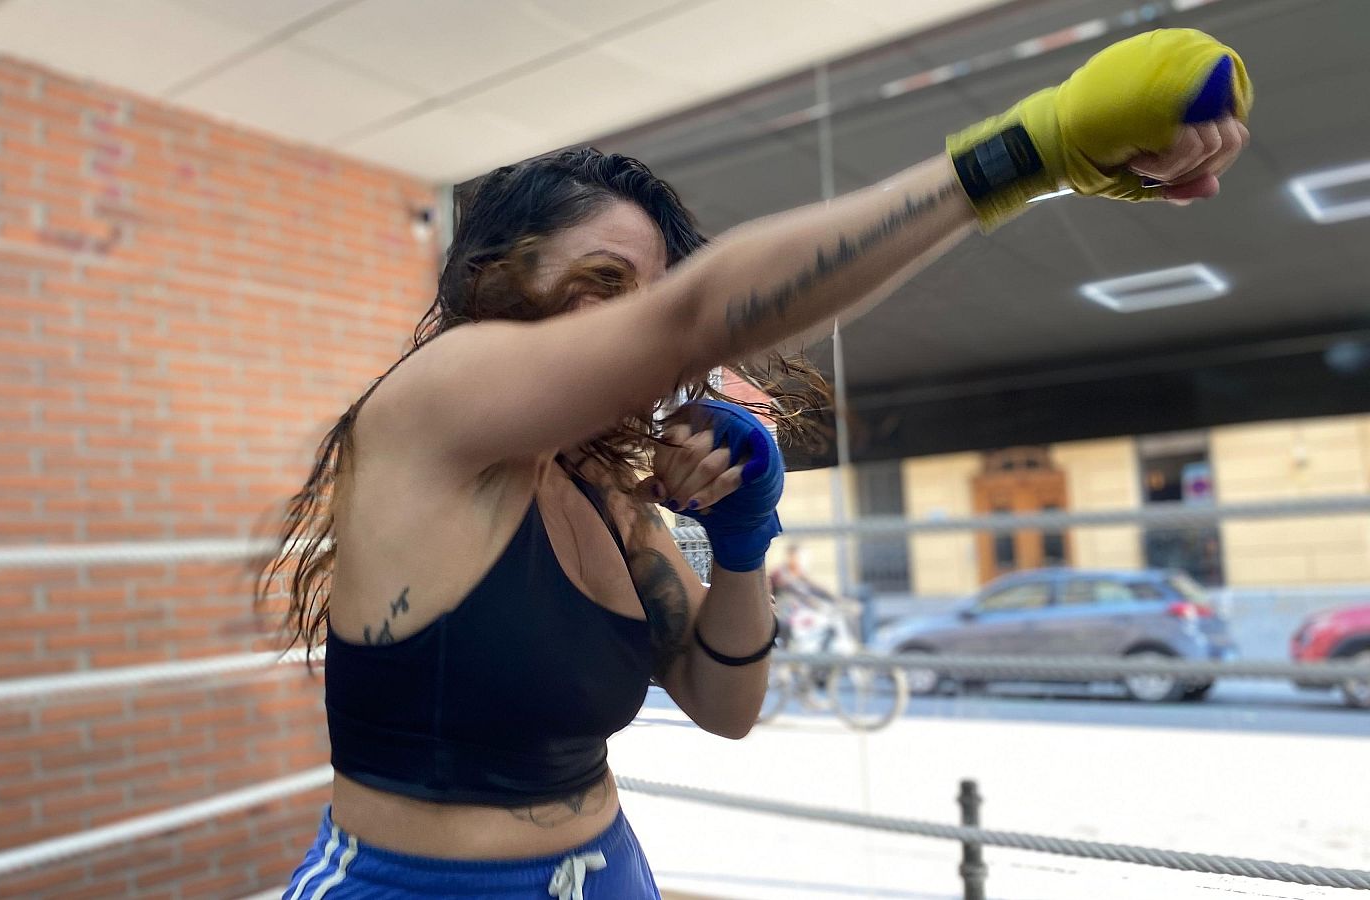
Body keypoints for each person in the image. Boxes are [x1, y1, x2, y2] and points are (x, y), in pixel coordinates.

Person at [262, 29, 1252, 899]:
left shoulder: (603, 492)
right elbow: (691, 319)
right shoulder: (434, 404)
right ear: (491, 283)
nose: (629, 328)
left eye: (643, 294)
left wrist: (741, 538)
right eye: (598, 285)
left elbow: (726, 705)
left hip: (607, 870)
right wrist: (1031, 154)